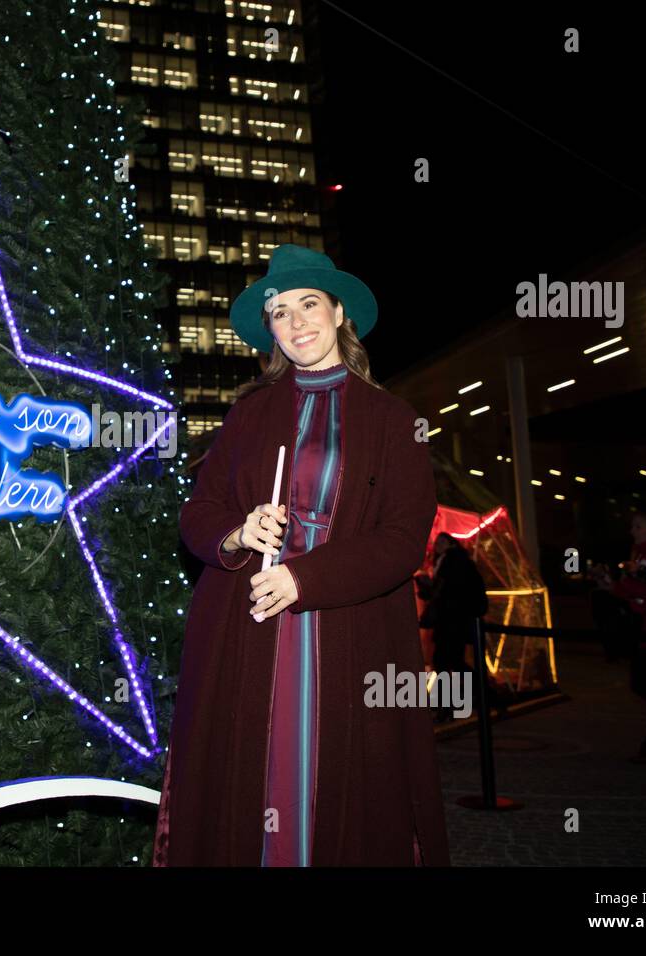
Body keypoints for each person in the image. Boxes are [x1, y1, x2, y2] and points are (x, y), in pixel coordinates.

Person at [151, 243, 449, 866]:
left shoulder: (394, 420)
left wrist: (305, 578)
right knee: (247, 771)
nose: (296, 322)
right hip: (246, 626)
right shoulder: (247, 414)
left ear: (340, 313)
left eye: (308, 304)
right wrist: (237, 534)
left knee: (345, 781)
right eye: (280, 312)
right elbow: (197, 514)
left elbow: (403, 539)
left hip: (349, 628)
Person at [591, 507, 646, 762]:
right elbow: (636, 591)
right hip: (645, 626)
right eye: (633, 526)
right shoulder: (640, 553)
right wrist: (613, 586)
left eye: (638, 526)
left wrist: (621, 587)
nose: (633, 531)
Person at [419, 532, 488, 721]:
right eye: (436, 541)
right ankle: (466, 698)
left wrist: (429, 587)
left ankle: (451, 705)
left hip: (453, 620)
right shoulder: (447, 561)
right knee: (451, 662)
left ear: (451, 543)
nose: (437, 544)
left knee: (444, 662)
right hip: (452, 620)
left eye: (441, 541)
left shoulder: (453, 561)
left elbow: (446, 592)